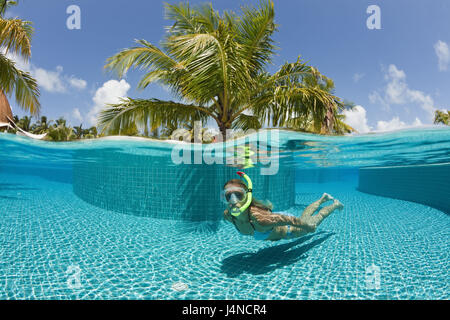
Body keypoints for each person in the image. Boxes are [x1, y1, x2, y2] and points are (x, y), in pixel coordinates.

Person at [222, 172, 343, 241]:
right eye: (228, 196)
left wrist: (308, 227)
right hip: (276, 219)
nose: (233, 201)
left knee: (316, 219)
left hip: (291, 229)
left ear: (247, 196)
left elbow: (289, 220)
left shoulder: (258, 219)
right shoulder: (228, 215)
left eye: (238, 195)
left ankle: (335, 204)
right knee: (305, 215)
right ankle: (323, 198)